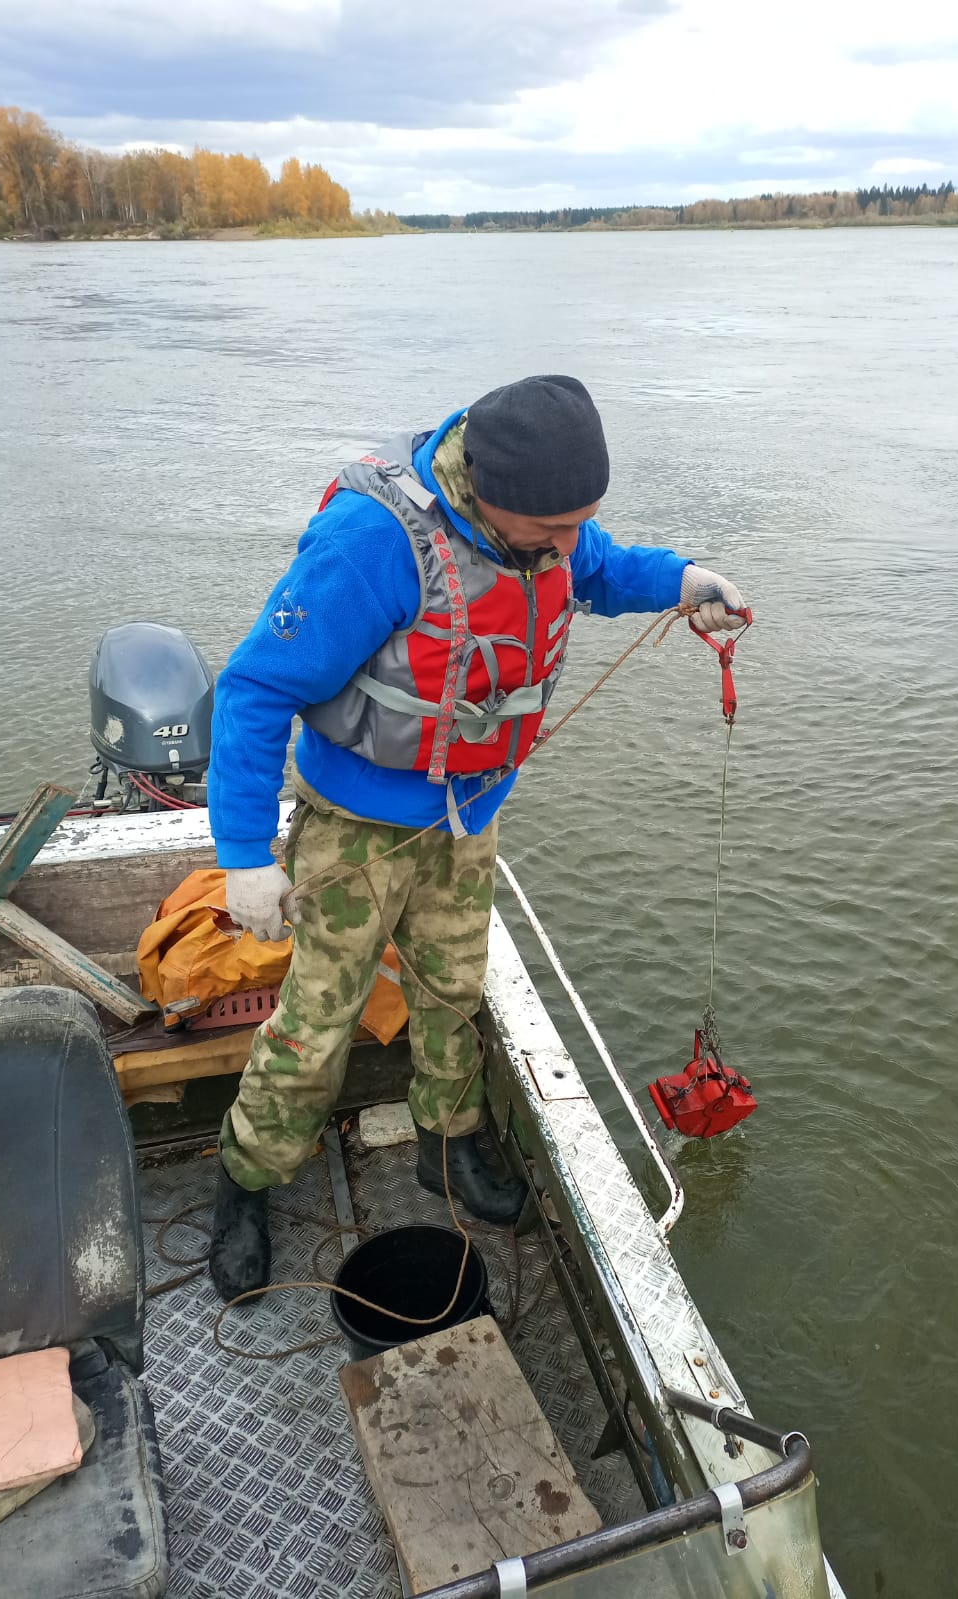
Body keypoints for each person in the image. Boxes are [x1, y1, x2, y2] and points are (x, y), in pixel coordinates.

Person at [206, 375, 747, 1301]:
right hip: (355, 832)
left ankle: (447, 1150)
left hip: (466, 821)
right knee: (317, 1023)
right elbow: (254, 688)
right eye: (555, 526)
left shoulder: (545, 532)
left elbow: (606, 568)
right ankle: (244, 1179)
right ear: (494, 494)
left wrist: (687, 579)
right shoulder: (373, 545)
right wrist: (246, 855)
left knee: (454, 994)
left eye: (582, 521)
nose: (570, 545)